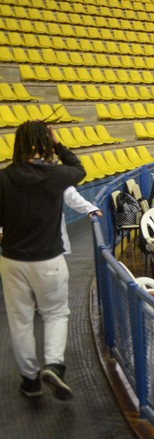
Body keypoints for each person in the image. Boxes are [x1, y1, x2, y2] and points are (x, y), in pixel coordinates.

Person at [0, 120, 86, 399]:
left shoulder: (3, 177)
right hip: (49, 259)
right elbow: (79, 169)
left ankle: (31, 381)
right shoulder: (56, 174)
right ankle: (54, 365)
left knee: (20, 319)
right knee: (55, 313)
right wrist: (57, 143)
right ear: (44, 144)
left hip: (12, 260)